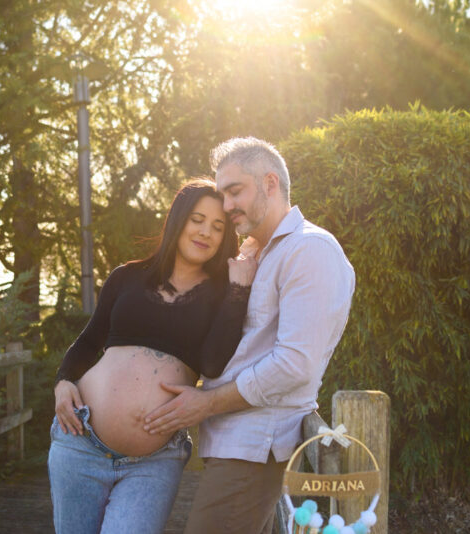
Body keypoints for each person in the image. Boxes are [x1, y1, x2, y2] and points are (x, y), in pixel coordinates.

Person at [142, 137, 356, 534]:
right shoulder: (259, 253)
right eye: (223, 194)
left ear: (270, 184)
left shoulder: (310, 250)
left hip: (256, 445)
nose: (225, 206)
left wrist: (205, 404)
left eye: (234, 191)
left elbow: (295, 365)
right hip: (232, 443)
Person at [48, 178, 257, 534]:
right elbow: (87, 342)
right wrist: (63, 382)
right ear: (178, 219)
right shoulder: (126, 277)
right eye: (197, 219)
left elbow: (212, 364)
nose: (206, 231)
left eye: (218, 226)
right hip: (80, 444)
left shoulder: (223, 294)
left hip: (154, 461)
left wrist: (239, 288)